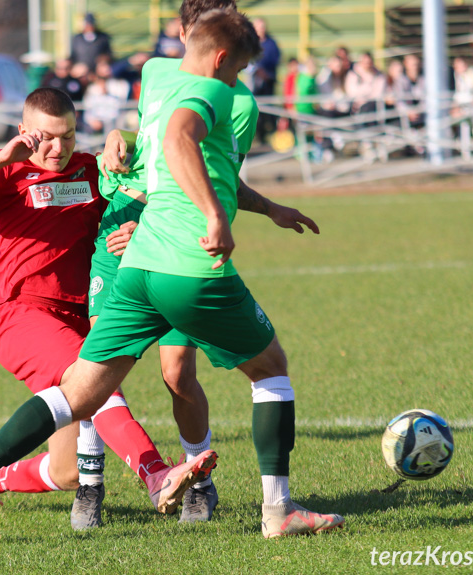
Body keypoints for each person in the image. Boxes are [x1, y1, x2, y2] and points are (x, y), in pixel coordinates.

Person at [0, 8, 344, 546]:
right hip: (166, 270)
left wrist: (120, 161)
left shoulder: (147, 84)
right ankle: (259, 504)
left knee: (83, 400)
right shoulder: (226, 97)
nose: (239, 79)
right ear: (220, 58)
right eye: (237, 66)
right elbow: (179, 143)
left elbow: (149, 160)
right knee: (272, 371)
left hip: (136, 265)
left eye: (67, 136)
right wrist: (214, 216)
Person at [0, 87, 213, 534]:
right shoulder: (8, 173)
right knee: (95, 384)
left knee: (67, 470)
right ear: (25, 132)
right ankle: (157, 475)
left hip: (79, 318)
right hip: (22, 315)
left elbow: (145, 174)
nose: (57, 148)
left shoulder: (87, 170)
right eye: (45, 137)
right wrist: (3, 156)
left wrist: (123, 144)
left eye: (68, 136)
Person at [91, 0, 321, 524]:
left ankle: (200, 478)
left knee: (175, 372)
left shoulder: (235, 100)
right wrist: (116, 138)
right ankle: (80, 482)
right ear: (187, 32)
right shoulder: (155, 71)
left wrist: (268, 208)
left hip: (165, 237)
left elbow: (210, 175)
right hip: (132, 236)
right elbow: (155, 144)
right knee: (94, 381)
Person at [249, 17, 280, 142]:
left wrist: (266, 73)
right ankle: (258, 135)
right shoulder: (249, 43)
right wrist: (258, 70)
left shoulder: (271, 43)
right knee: (256, 109)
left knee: (269, 108)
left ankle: (271, 134)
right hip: (254, 82)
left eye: (262, 27)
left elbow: (275, 59)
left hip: (268, 81)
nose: (261, 29)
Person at [81, 57, 130, 133]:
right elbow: (87, 107)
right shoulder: (92, 88)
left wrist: (108, 91)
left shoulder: (121, 84)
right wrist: (92, 120)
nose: (105, 70)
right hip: (96, 124)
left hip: (115, 122)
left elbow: (120, 104)